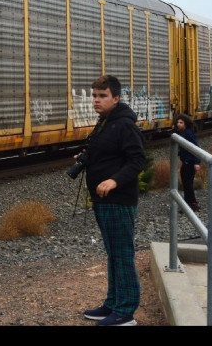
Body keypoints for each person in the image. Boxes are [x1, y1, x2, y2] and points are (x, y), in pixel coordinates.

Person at [81, 75, 146, 327]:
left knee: (122, 254)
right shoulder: (105, 122)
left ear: (116, 98)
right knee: (113, 254)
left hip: (118, 200)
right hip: (102, 200)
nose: (96, 100)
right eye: (94, 95)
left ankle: (126, 312)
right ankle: (113, 303)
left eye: (102, 96)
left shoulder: (124, 125)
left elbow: (137, 160)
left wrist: (114, 181)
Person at [173, 114, 200, 211]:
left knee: (188, 183)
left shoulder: (188, 133)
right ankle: (188, 203)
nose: (178, 124)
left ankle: (192, 203)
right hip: (185, 161)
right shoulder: (182, 132)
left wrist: (197, 162)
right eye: (178, 123)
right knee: (185, 182)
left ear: (185, 123)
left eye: (181, 123)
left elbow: (196, 147)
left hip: (190, 161)